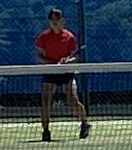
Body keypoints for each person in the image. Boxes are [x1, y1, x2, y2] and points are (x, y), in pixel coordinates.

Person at [34, 8, 91, 142]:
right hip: (50, 71)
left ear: (63, 21)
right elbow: (38, 56)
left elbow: (75, 57)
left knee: (72, 100)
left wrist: (67, 62)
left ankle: (84, 122)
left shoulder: (69, 37)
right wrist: (49, 63)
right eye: (52, 20)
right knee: (45, 101)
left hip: (67, 72)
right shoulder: (43, 37)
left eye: (57, 19)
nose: (55, 22)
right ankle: (46, 131)